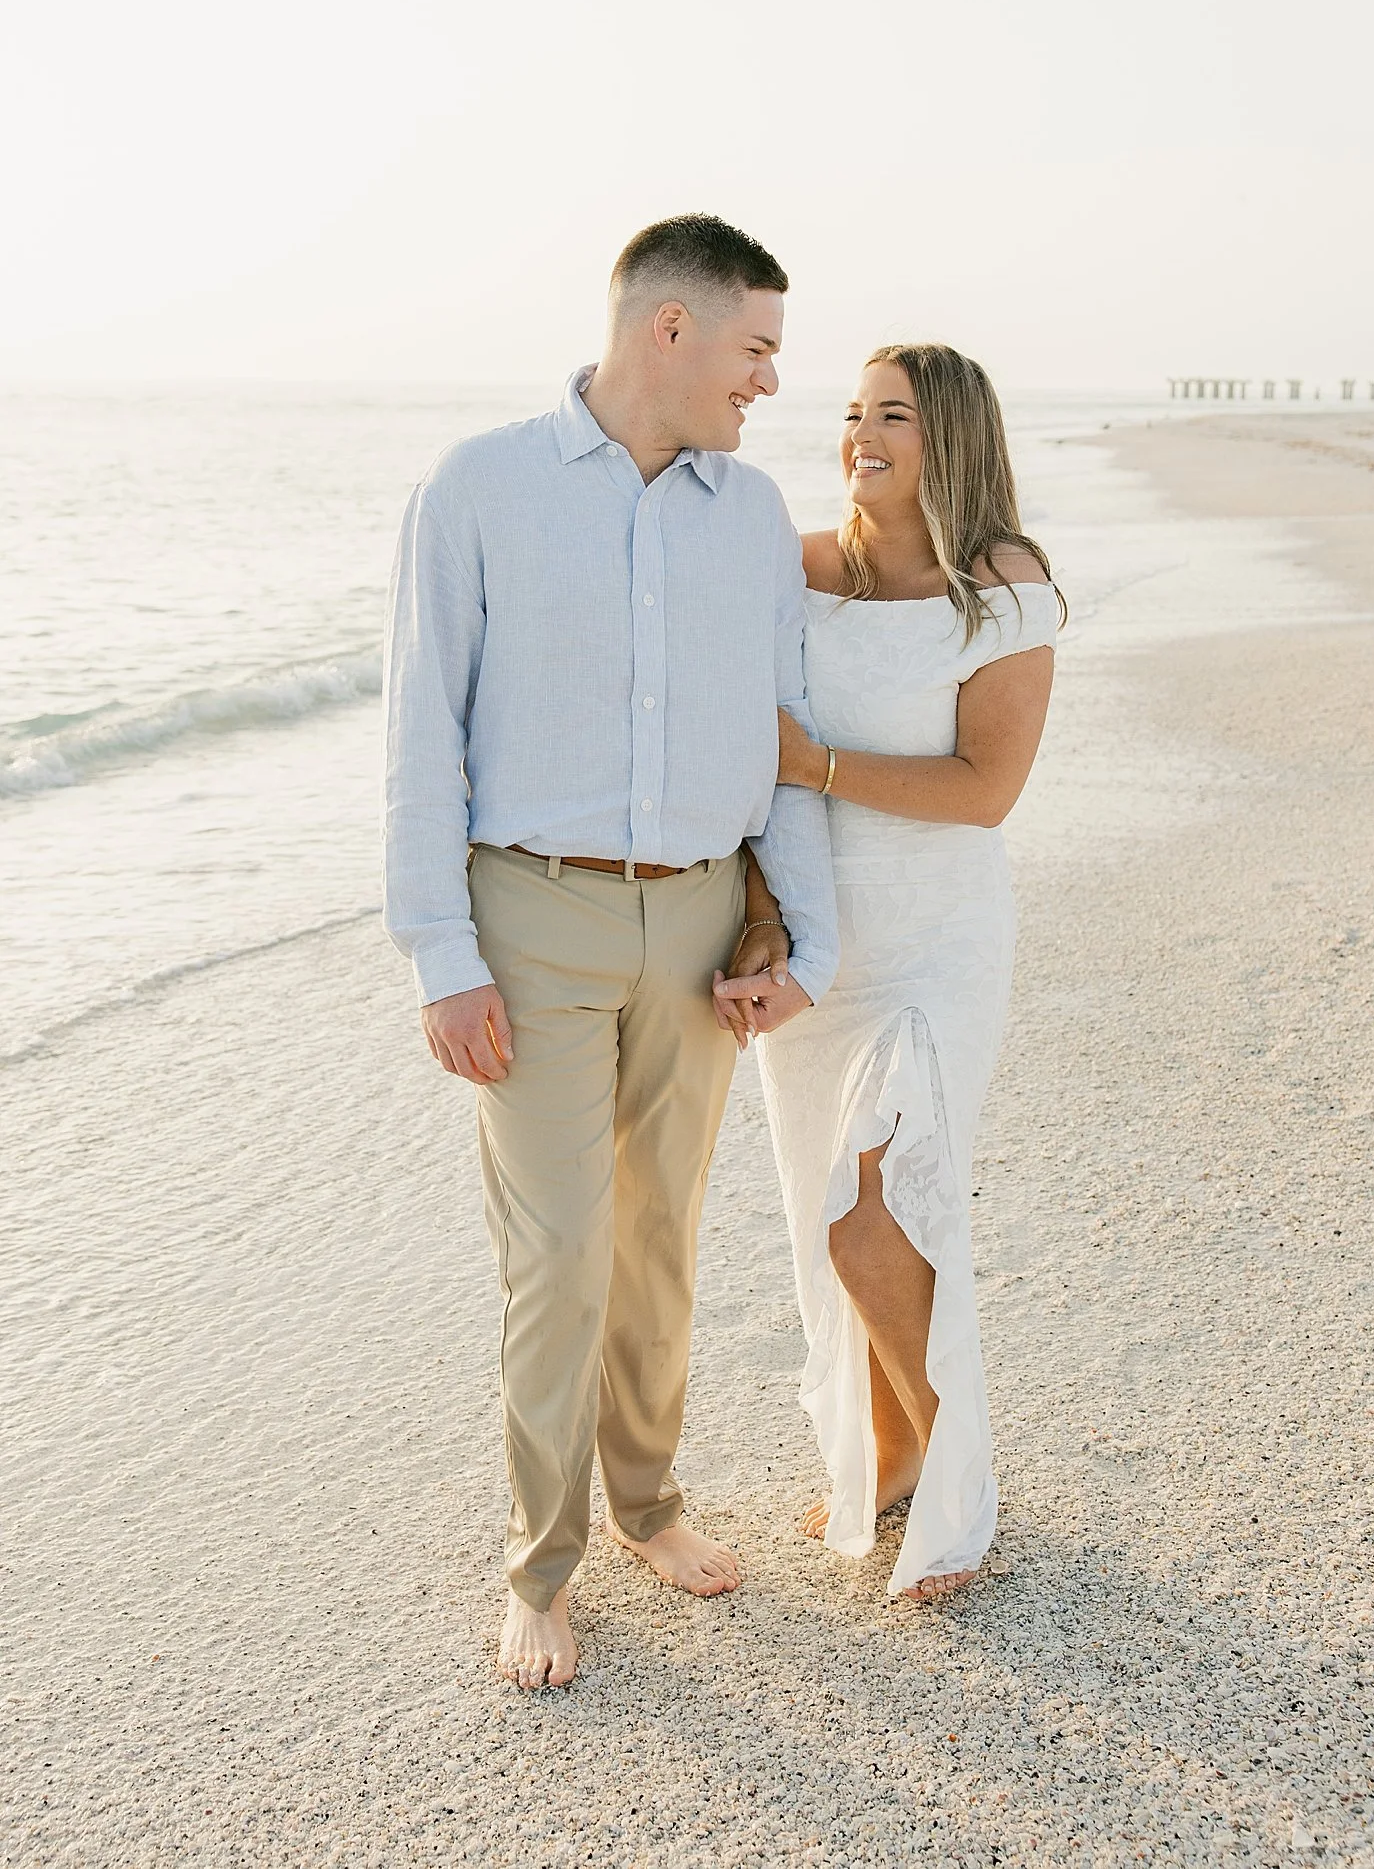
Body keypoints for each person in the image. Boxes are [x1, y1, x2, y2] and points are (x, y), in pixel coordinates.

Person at [383, 214, 838, 1689]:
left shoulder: (751, 514)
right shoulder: (481, 488)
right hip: (532, 921)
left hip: (703, 919)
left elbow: (782, 749)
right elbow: (419, 739)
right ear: (671, 331)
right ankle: (540, 1564)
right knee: (563, 1250)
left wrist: (802, 934)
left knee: (659, 1244)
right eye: (755, 347)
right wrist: (442, 954)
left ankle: (648, 1504)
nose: (769, 379)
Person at [715, 344, 1058, 1602]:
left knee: (880, 1209)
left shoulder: (1004, 588)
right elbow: (744, 761)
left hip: (939, 940)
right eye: (853, 413)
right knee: (830, 1220)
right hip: (820, 940)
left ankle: (956, 1472)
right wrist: (761, 920)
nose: (861, 434)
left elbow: (986, 791)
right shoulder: (799, 571)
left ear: (951, 437)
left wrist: (825, 769)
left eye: (893, 416)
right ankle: (905, 1448)